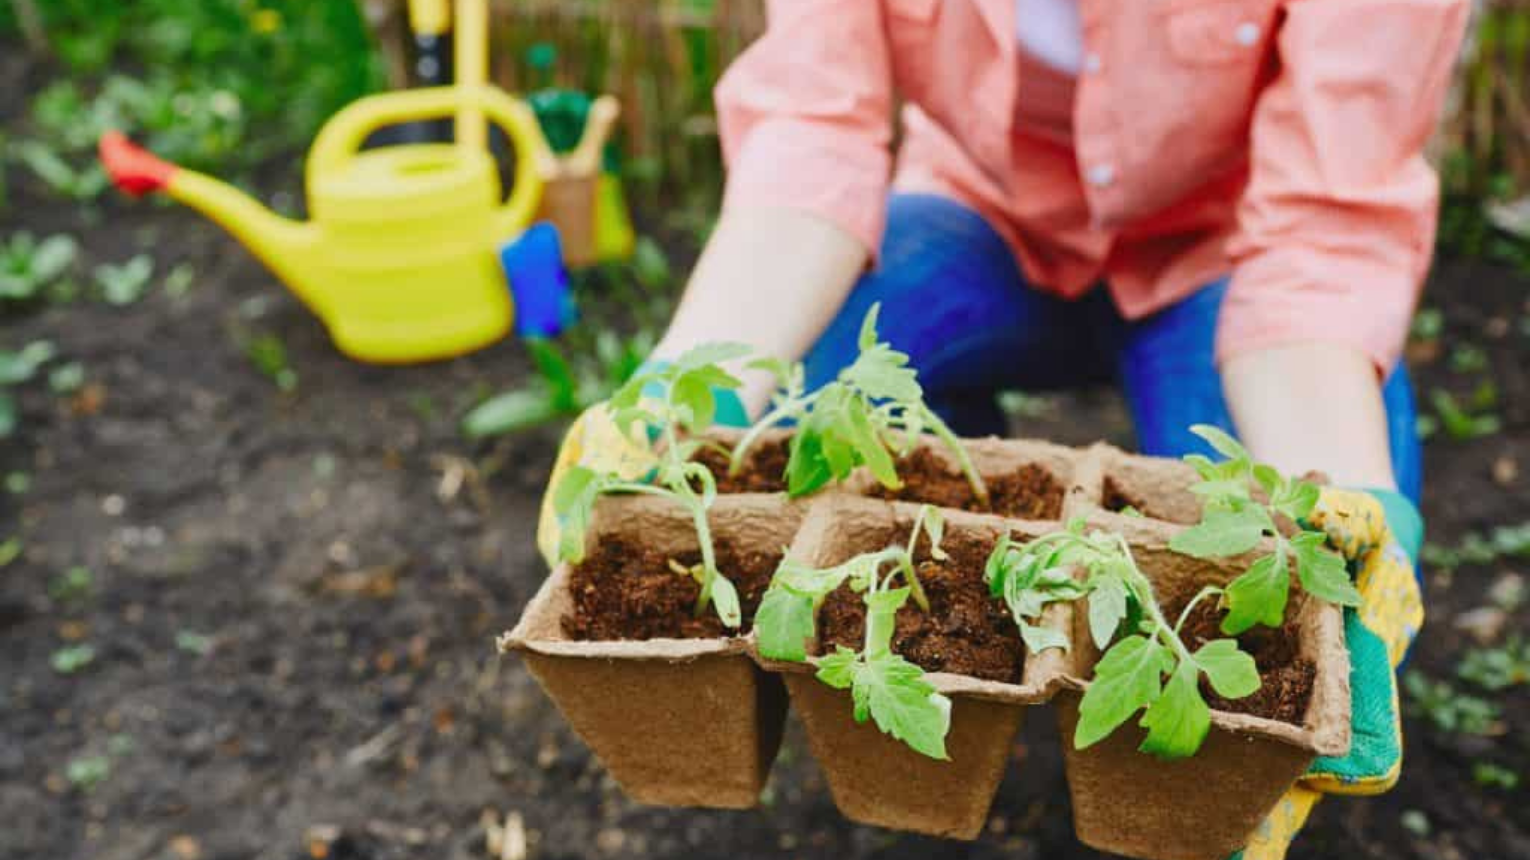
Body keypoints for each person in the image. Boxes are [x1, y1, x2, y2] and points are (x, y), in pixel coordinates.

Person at [543, 1, 1467, 856]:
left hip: (1227, 249)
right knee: (814, 409)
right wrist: (675, 396)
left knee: (1286, 554)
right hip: (982, 206)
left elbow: (1325, 219)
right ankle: (959, 644)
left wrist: (1341, 484)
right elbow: (813, 125)